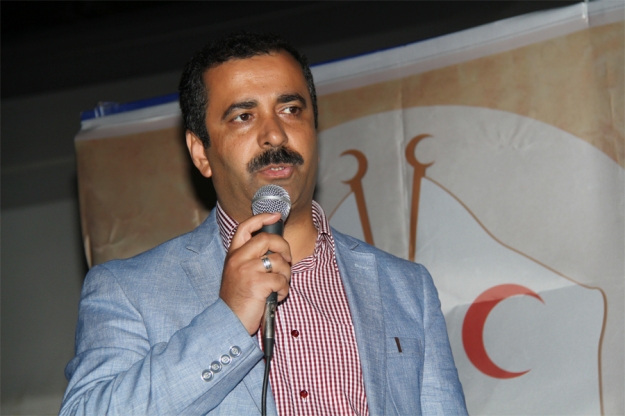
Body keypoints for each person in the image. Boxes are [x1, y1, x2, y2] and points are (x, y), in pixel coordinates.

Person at [61, 32, 467, 415]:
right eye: (243, 116)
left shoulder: (406, 287)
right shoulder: (127, 290)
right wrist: (230, 320)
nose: (274, 135)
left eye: (291, 110)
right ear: (201, 152)